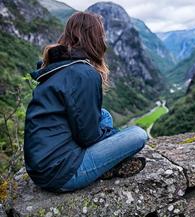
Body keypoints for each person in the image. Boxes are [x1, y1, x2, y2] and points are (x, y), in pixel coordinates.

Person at [24, 11, 148, 193]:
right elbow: (88, 137)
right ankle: (107, 165)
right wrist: (113, 136)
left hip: (42, 166)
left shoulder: (56, 66)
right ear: (94, 38)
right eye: (102, 35)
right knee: (138, 135)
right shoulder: (84, 73)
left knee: (104, 114)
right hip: (62, 173)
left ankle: (106, 165)